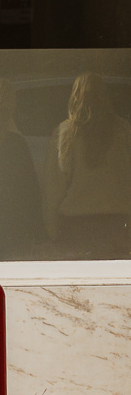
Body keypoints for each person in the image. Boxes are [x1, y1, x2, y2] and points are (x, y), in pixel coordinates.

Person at [43, 71, 131, 258]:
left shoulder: (65, 133)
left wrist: (52, 231)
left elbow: (54, 187)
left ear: (74, 97)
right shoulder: (124, 131)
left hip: (77, 227)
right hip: (117, 226)